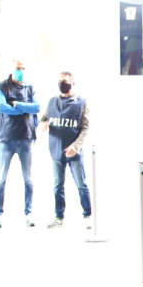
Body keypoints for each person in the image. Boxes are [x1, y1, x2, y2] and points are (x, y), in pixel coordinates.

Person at [0, 59, 41, 228]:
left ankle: (29, 213)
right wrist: (23, 109)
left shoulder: (30, 88)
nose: (21, 71)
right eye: (18, 68)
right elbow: (1, 107)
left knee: (28, 180)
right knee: (0, 179)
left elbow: (36, 107)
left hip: (26, 138)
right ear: (12, 69)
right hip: (6, 139)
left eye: (23, 68)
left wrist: (17, 104)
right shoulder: (1, 86)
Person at [39, 72, 91, 228]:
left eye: (66, 81)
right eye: (61, 80)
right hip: (56, 150)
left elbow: (85, 127)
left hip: (74, 152)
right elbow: (44, 118)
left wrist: (76, 146)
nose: (63, 83)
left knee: (81, 184)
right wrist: (43, 124)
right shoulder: (52, 101)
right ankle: (59, 217)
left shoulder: (81, 102)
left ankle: (88, 216)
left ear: (73, 83)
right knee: (57, 186)